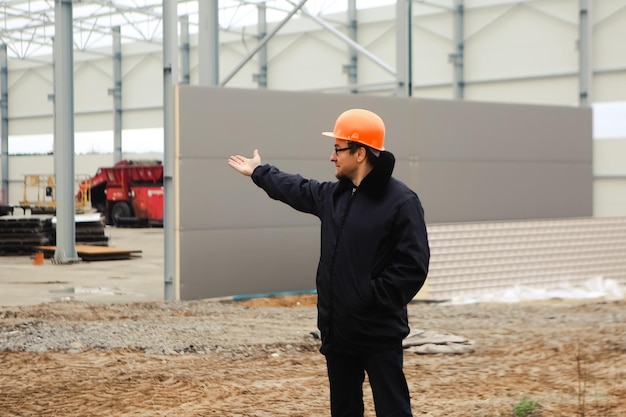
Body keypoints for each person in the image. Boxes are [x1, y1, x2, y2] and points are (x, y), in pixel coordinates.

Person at [227, 108, 430, 417]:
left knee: (393, 411)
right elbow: (297, 188)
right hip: (339, 334)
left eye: (338, 149)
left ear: (360, 152)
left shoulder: (401, 201)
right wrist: (259, 172)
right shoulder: (335, 196)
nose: (332, 157)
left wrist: (370, 299)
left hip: (378, 334)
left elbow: (413, 267)